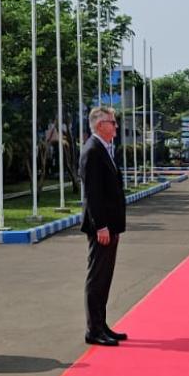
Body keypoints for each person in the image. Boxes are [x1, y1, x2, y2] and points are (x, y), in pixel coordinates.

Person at [81, 106, 127, 346]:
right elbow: (92, 194)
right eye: (112, 122)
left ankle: (101, 324)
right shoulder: (93, 151)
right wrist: (100, 227)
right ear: (100, 125)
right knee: (97, 276)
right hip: (102, 228)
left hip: (111, 225)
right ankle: (93, 329)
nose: (116, 126)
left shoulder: (106, 149)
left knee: (105, 277)